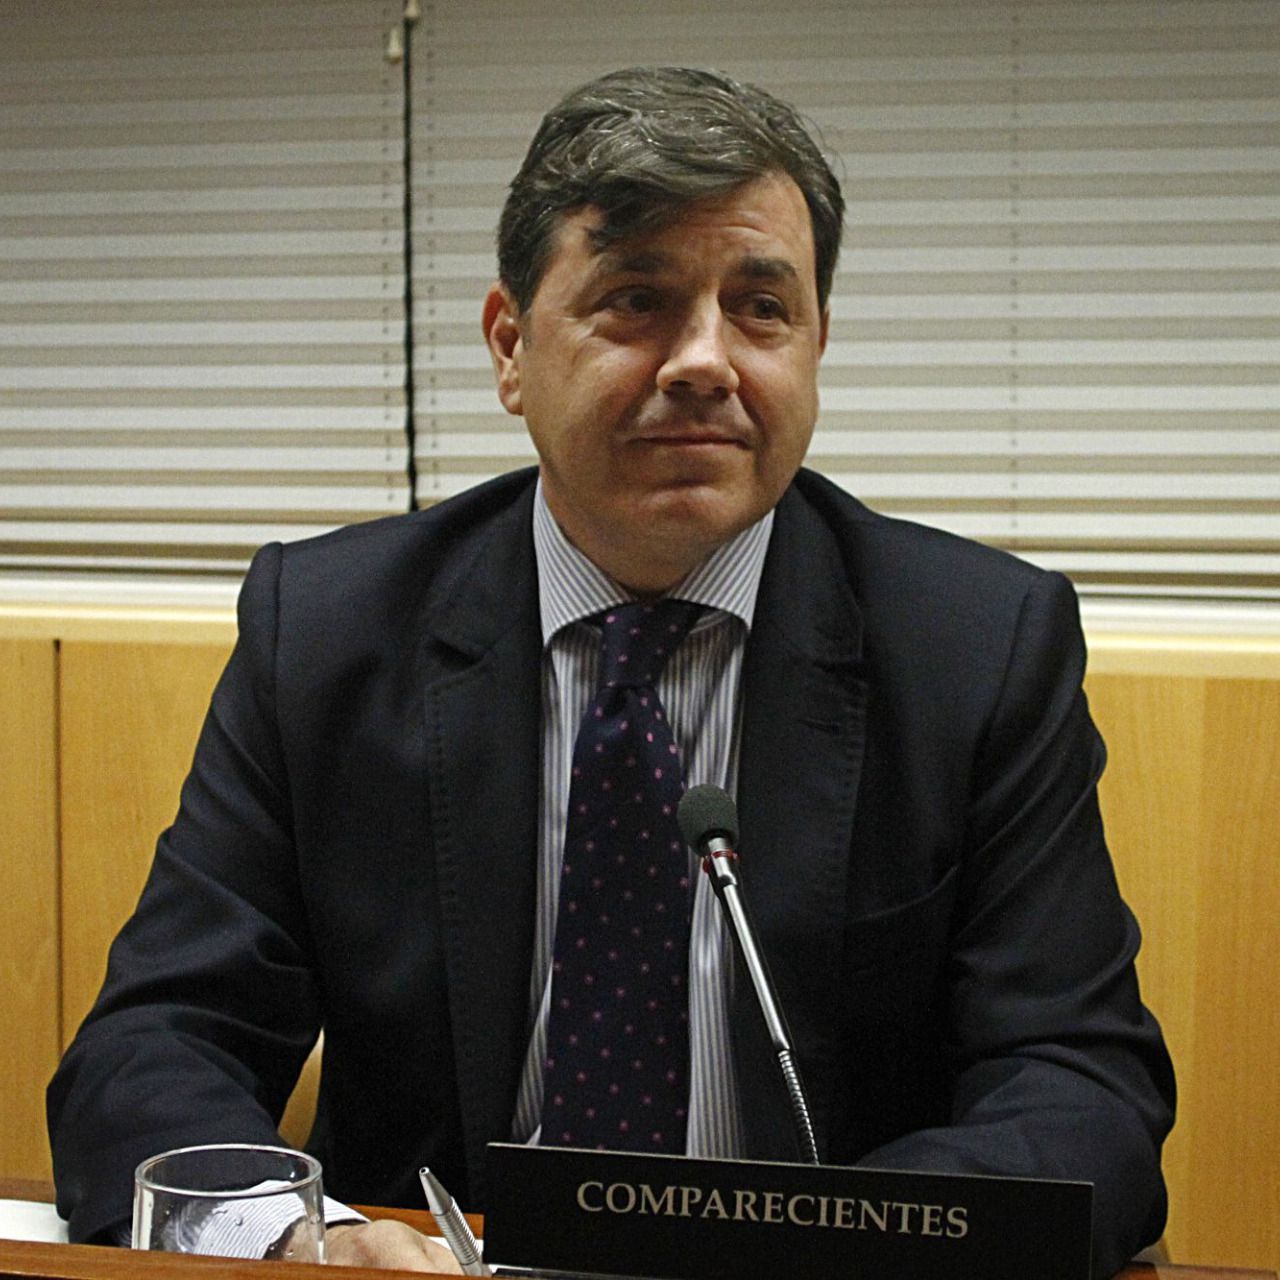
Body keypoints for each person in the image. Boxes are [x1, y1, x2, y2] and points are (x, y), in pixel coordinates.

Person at [48, 66, 1175, 1276]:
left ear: (816, 343)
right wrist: (291, 1235)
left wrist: (816, 1253)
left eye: (759, 308)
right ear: (509, 346)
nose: (704, 360)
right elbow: (152, 1046)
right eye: (636, 301)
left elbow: (1080, 1092)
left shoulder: (974, 649)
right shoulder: (327, 633)